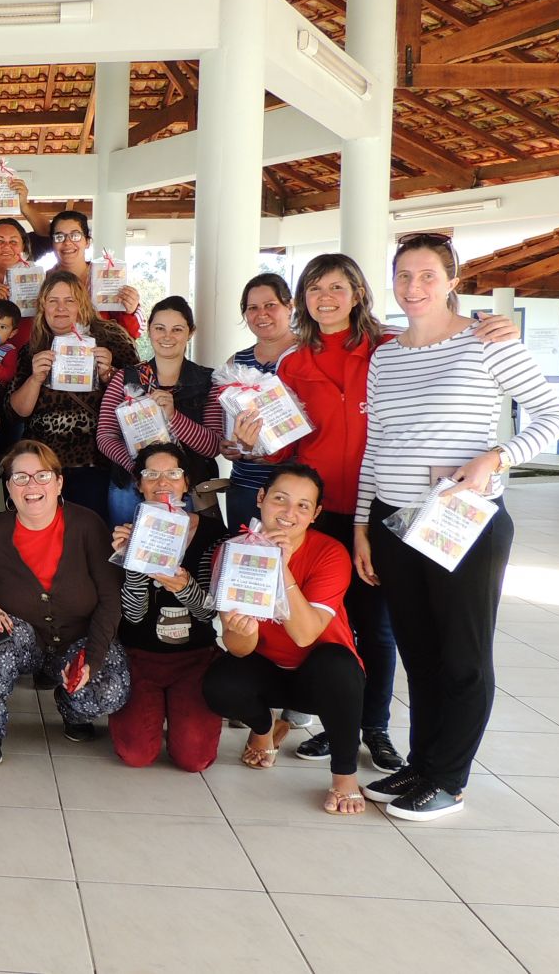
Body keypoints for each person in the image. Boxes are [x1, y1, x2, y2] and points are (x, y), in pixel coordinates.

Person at [354, 234, 559, 822]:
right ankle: (422, 763)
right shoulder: (387, 355)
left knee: (463, 654)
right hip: (395, 522)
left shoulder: (486, 342)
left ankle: (448, 778)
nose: (414, 288)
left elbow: (555, 416)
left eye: (427, 276)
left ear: (452, 280)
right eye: (403, 276)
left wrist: (495, 457)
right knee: (420, 652)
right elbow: (376, 445)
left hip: (462, 523)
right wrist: (361, 527)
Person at [239, 254, 402, 771]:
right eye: (314, 288)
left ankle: (373, 727)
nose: (325, 297)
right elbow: (283, 446)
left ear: (357, 292)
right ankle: (338, 726)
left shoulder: (390, 349)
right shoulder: (293, 362)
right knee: (329, 624)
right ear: (303, 299)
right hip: (318, 512)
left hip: (380, 506)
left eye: (336, 286)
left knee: (376, 627)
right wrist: (252, 444)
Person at [202, 465, 369, 816]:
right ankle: (264, 728)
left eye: (303, 506)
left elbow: (305, 633)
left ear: (315, 514)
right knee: (220, 683)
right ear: (260, 499)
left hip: (320, 677)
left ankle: (344, 775)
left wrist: (282, 567)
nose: (289, 513)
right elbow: (238, 648)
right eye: (280, 499)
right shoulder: (232, 552)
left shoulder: (330, 553)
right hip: (266, 672)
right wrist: (242, 630)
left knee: (338, 666)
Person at [0, 440, 130, 764]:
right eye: (20, 478)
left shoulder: (87, 526)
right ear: (8, 487)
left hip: (77, 640)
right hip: (21, 639)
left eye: (42, 476)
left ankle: (72, 707)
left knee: (107, 688)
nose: (32, 486)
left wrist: (92, 661)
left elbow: (111, 598)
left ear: (59, 482)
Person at [105, 443, 227, 773]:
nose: (163, 483)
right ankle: (153, 712)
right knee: (136, 754)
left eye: (172, 474)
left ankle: (177, 713)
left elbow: (209, 614)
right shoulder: (127, 534)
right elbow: (132, 615)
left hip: (194, 655)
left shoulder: (214, 533)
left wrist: (184, 587)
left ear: (186, 482)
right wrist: (133, 561)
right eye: (151, 475)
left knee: (195, 759)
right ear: (138, 483)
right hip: (139, 654)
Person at [7, 271, 138, 519]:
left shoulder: (112, 338)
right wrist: (35, 378)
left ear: (82, 304)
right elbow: (16, 411)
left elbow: (139, 397)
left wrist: (109, 374)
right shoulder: (33, 348)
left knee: (91, 536)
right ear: (43, 305)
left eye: (69, 300)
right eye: (53, 300)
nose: (61, 308)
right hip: (43, 466)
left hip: (96, 461)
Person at [97, 295, 221, 528]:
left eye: (177, 329)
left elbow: (213, 446)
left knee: (183, 558)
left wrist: (173, 416)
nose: (167, 336)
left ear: (190, 333)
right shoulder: (124, 378)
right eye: (160, 328)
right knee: (126, 553)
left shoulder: (208, 381)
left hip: (188, 491)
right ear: (149, 330)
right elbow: (105, 436)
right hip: (130, 488)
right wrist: (140, 470)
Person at [220, 274, 297, 532]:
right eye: (252, 308)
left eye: (270, 305)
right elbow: (228, 423)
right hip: (246, 485)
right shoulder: (235, 363)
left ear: (290, 306)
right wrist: (229, 445)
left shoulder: (307, 357)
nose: (261, 314)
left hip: (293, 491)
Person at [41, 209, 141, 339]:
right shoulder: (43, 281)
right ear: (52, 243)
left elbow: (131, 334)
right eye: (59, 237)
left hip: (105, 354)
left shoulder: (107, 277)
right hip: (56, 354)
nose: (67, 242)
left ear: (87, 242)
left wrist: (130, 310)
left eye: (75, 236)